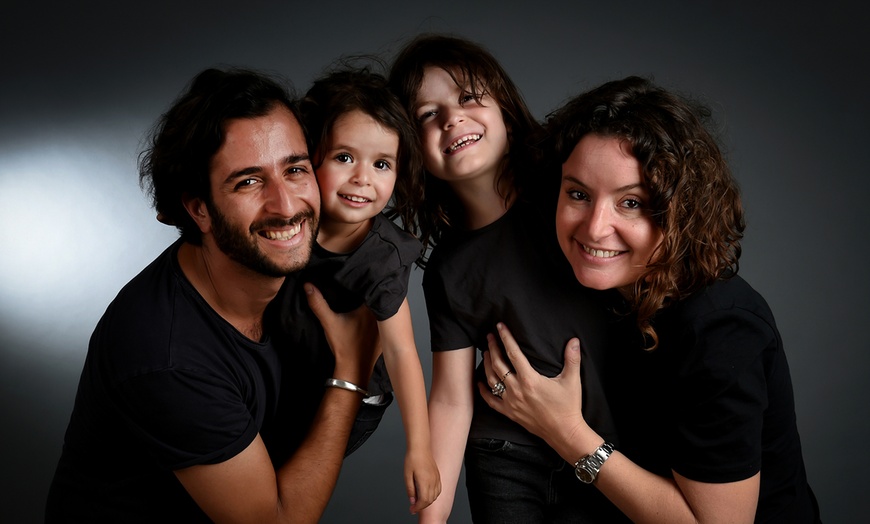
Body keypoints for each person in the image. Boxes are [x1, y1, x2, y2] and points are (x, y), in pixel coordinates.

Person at [45, 68, 381, 523]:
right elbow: (276, 521)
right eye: (248, 182)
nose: (286, 205)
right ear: (199, 208)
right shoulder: (166, 355)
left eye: (295, 169)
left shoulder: (285, 268)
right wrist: (350, 374)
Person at [480, 76, 822, 523]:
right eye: (578, 194)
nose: (595, 227)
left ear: (682, 211)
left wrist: (565, 431)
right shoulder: (605, 290)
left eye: (632, 203)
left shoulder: (720, 327)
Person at [389, 34, 622, 522]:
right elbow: (451, 399)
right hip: (508, 454)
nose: (451, 118)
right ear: (413, 152)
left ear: (507, 111)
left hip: (612, 443)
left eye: (468, 97)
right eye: (427, 115)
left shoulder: (572, 201)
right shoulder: (449, 270)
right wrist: (430, 517)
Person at [272, 66, 440, 514]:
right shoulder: (290, 223)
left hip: (353, 394)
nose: (363, 177)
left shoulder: (381, 256)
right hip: (295, 371)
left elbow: (402, 351)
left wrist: (420, 450)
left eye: (382, 164)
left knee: (283, 481)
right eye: (345, 157)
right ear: (310, 157)